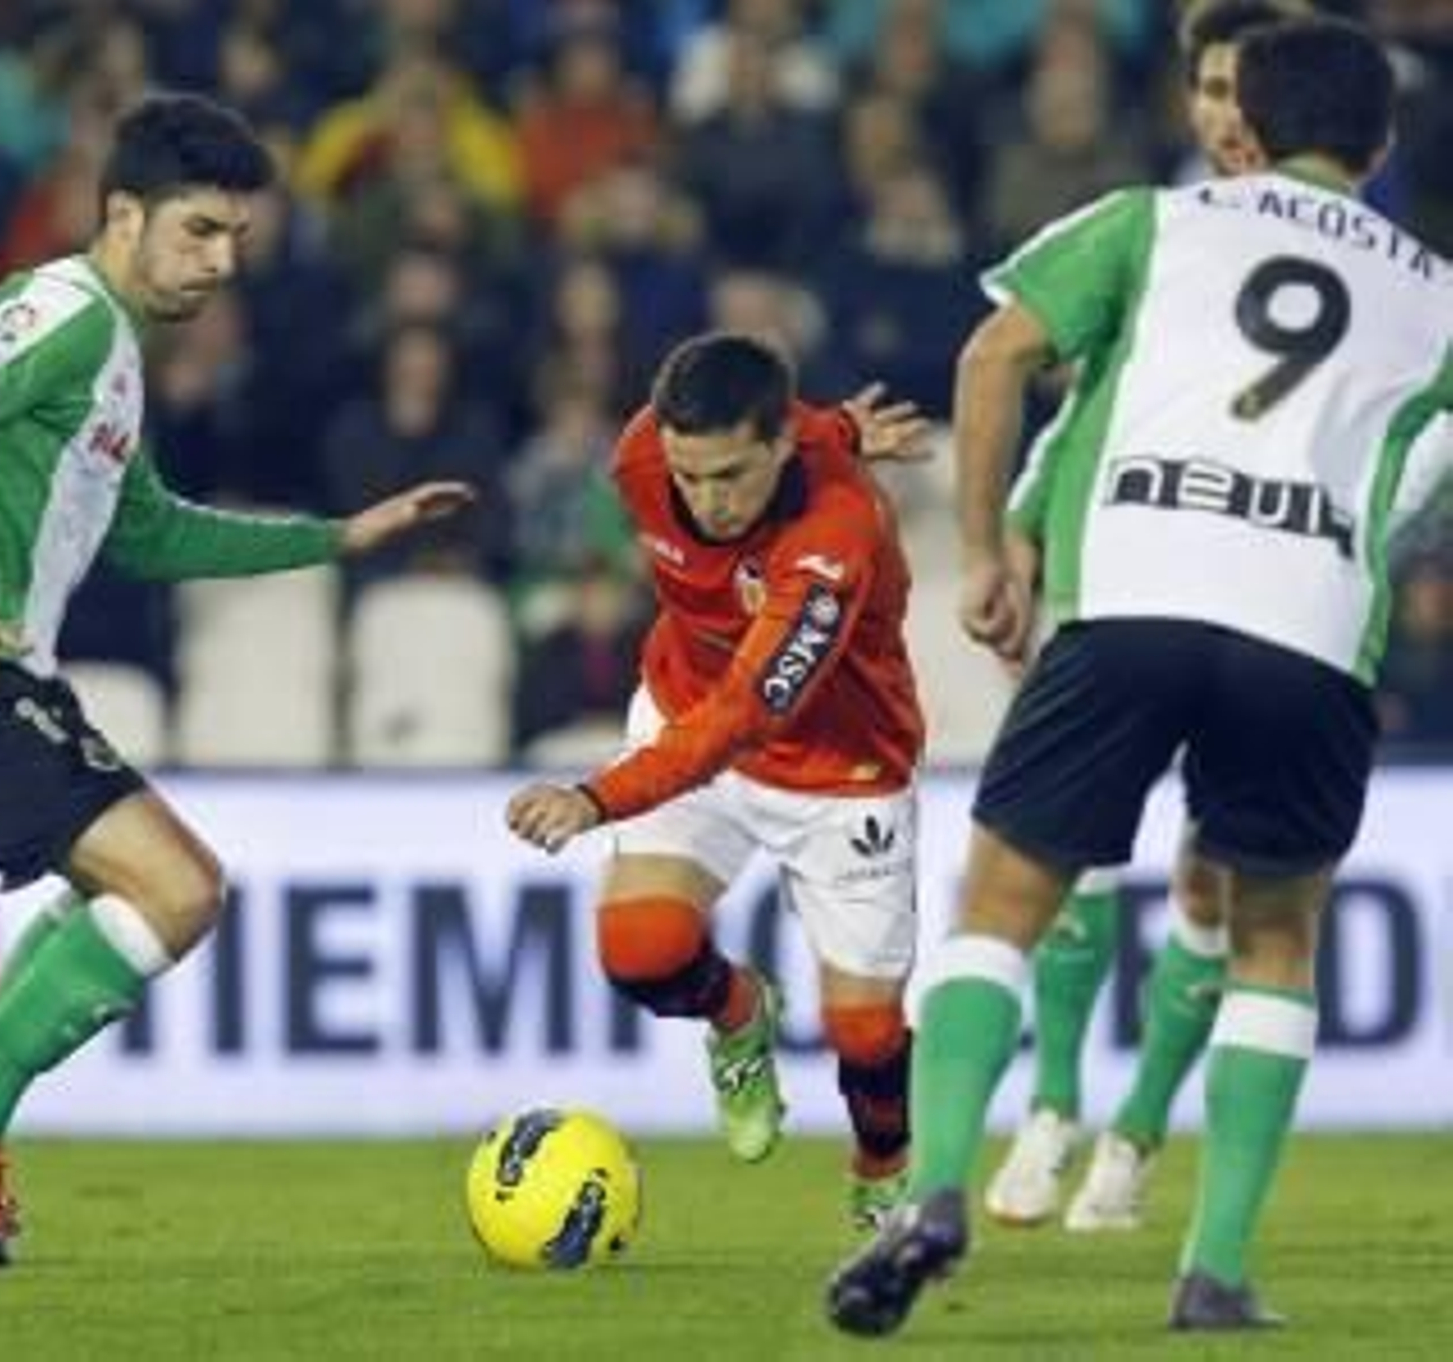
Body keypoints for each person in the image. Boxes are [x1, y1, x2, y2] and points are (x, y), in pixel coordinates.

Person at [827, 17, 1452, 1336]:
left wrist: (993, 546)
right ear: (1384, 141)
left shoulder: (1153, 224)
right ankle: (1214, 1270)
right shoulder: (1439, 297)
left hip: (1138, 598)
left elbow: (995, 353)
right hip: (1311, 628)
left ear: (1246, 122)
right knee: (1275, 943)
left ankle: (934, 1190)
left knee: (1000, 903)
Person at [0, 93, 474, 1270]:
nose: (222, 262)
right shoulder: (66, 312)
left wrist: (338, 537)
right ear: (124, 213)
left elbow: (153, 535)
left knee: (133, 896)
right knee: (180, 891)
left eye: (235, 237)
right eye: (199, 231)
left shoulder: (119, 365)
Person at [987, 0, 1310, 1235]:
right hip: (1112, 563)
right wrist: (1020, 512)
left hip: (1264, 583)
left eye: (1249, 92)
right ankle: (1055, 1106)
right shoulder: (1157, 227)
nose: (1229, 117)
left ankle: (1133, 1138)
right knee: (1062, 836)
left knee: (1211, 877)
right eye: (1213, 90)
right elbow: (1085, 400)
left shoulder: (1348, 246)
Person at [505, 332, 932, 1229]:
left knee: (865, 1037)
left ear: (781, 445)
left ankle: (882, 1168)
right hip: (684, 713)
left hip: (841, 772)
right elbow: (805, 428)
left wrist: (594, 798)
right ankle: (740, 1016)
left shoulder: (838, 532)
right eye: (689, 476)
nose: (708, 499)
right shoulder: (637, 458)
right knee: (641, 951)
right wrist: (838, 429)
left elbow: (747, 715)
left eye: (732, 474)